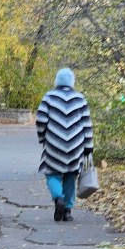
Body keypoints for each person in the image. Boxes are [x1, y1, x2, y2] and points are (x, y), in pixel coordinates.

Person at [36, 68, 93, 222]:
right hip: (75, 146)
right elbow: (86, 125)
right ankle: (67, 211)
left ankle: (58, 199)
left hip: (54, 144)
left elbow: (41, 120)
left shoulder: (49, 97)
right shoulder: (79, 99)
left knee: (51, 174)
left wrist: (43, 138)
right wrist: (88, 146)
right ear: (71, 82)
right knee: (70, 177)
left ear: (57, 81)